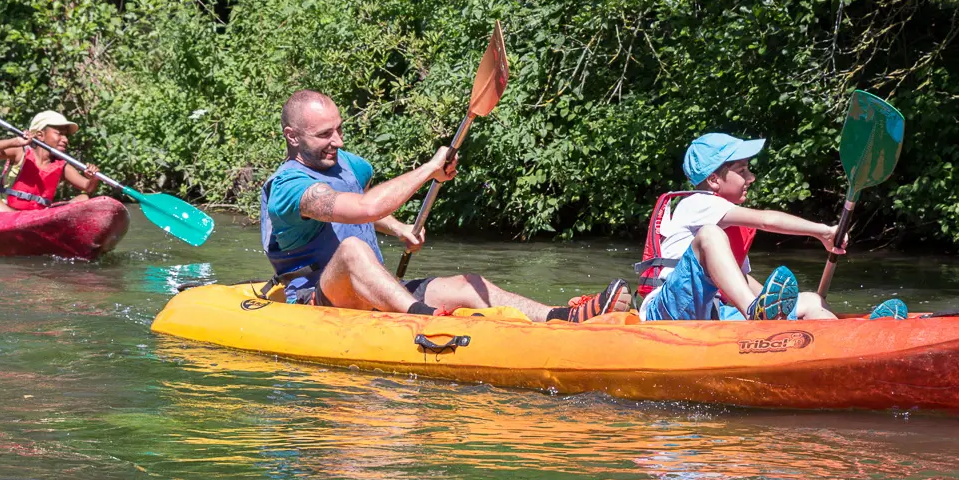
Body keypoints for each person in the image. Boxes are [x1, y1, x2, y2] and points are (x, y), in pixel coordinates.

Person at [262, 90, 629, 321]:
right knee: (354, 250)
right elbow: (363, 209)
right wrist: (427, 170)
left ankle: (563, 317)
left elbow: (357, 209)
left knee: (469, 285)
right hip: (319, 302)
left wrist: (399, 227)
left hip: (370, 291)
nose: (338, 141)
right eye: (324, 134)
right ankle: (426, 321)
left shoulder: (352, 165)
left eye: (339, 129)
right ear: (292, 136)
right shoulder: (289, 186)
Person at [637, 132, 908, 322]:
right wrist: (823, 231)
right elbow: (766, 220)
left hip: (712, 310)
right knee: (710, 235)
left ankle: (853, 338)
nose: (751, 177)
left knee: (812, 301)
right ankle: (756, 315)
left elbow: (741, 282)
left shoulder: (722, 225)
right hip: (667, 310)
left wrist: (783, 307)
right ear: (713, 180)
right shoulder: (697, 203)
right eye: (742, 171)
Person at [0, 111, 102, 211]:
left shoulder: (61, 165)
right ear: (40, 135)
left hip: (38, 214)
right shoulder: (20, 152)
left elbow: (87, 187)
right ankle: (20, 224)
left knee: (83, 198)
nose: (65, 139)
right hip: (8, 211)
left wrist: (93, 178)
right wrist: (13, 141)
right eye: (59, 133)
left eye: (66, 135)